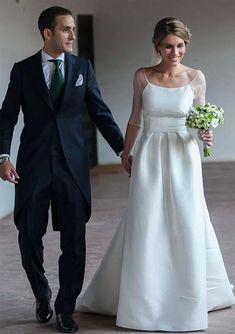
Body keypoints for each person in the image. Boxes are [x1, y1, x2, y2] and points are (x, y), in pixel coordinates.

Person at [79, 17, 235, 331]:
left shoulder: (196, 77)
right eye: (168, 46)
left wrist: (206, 134)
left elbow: (199, 119)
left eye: (180, 46)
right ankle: (143, 298)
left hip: (183, 153)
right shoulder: (142, 76)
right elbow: (136, 117)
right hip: (149, 151)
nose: (174, 52)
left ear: (185, 45)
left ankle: (186, 294)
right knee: (146, 216)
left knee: (185, 216)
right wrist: (126, 151)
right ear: (157, 46)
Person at [0, 6, 124, 333]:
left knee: (75, 240)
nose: (72, 35)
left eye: (73, 29)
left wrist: (125, 150)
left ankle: (66, 308)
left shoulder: (82, 67)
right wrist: (3, 157)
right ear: (48, 32)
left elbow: (100, 113)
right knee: (29, 235)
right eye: (66, 29)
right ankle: (42, 295)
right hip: (32, 166)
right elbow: (7, 116)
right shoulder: (23, 70)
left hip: (73, 167)